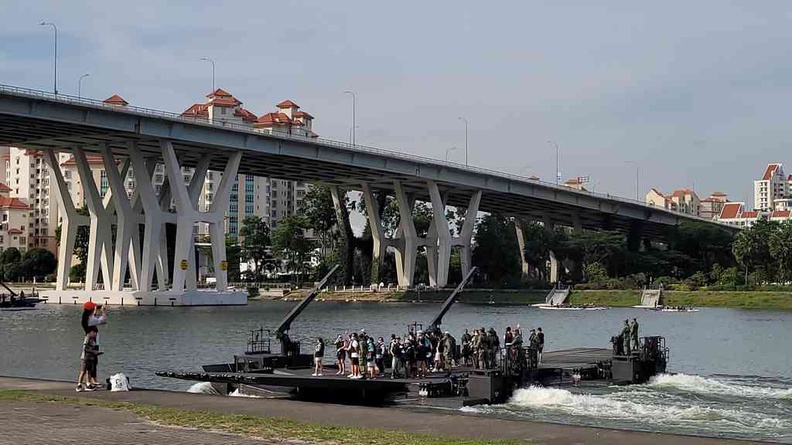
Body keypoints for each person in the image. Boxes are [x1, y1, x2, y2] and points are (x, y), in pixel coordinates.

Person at [80, 302, 107, 389]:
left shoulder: (87, 318)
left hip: (93, 342)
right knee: (92, 363)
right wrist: (103, 311)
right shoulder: (90, 320)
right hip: (93, 344)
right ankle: (91, 381)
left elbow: (94, 317)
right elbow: (103, 320)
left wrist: (96, 310)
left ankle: (92, 381)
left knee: (93, 364)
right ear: (90, 310)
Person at [76, 327, 102, 392]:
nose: (96, 334)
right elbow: (85, 349)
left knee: (89, 371)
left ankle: (88, 384)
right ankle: (79, 385)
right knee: (83, 371)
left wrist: (96, 353)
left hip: (91, 358)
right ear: (91, 332)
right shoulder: (88, 338)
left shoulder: (94, 339)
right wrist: (94, 352)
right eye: (94, 333)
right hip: (86, 358)